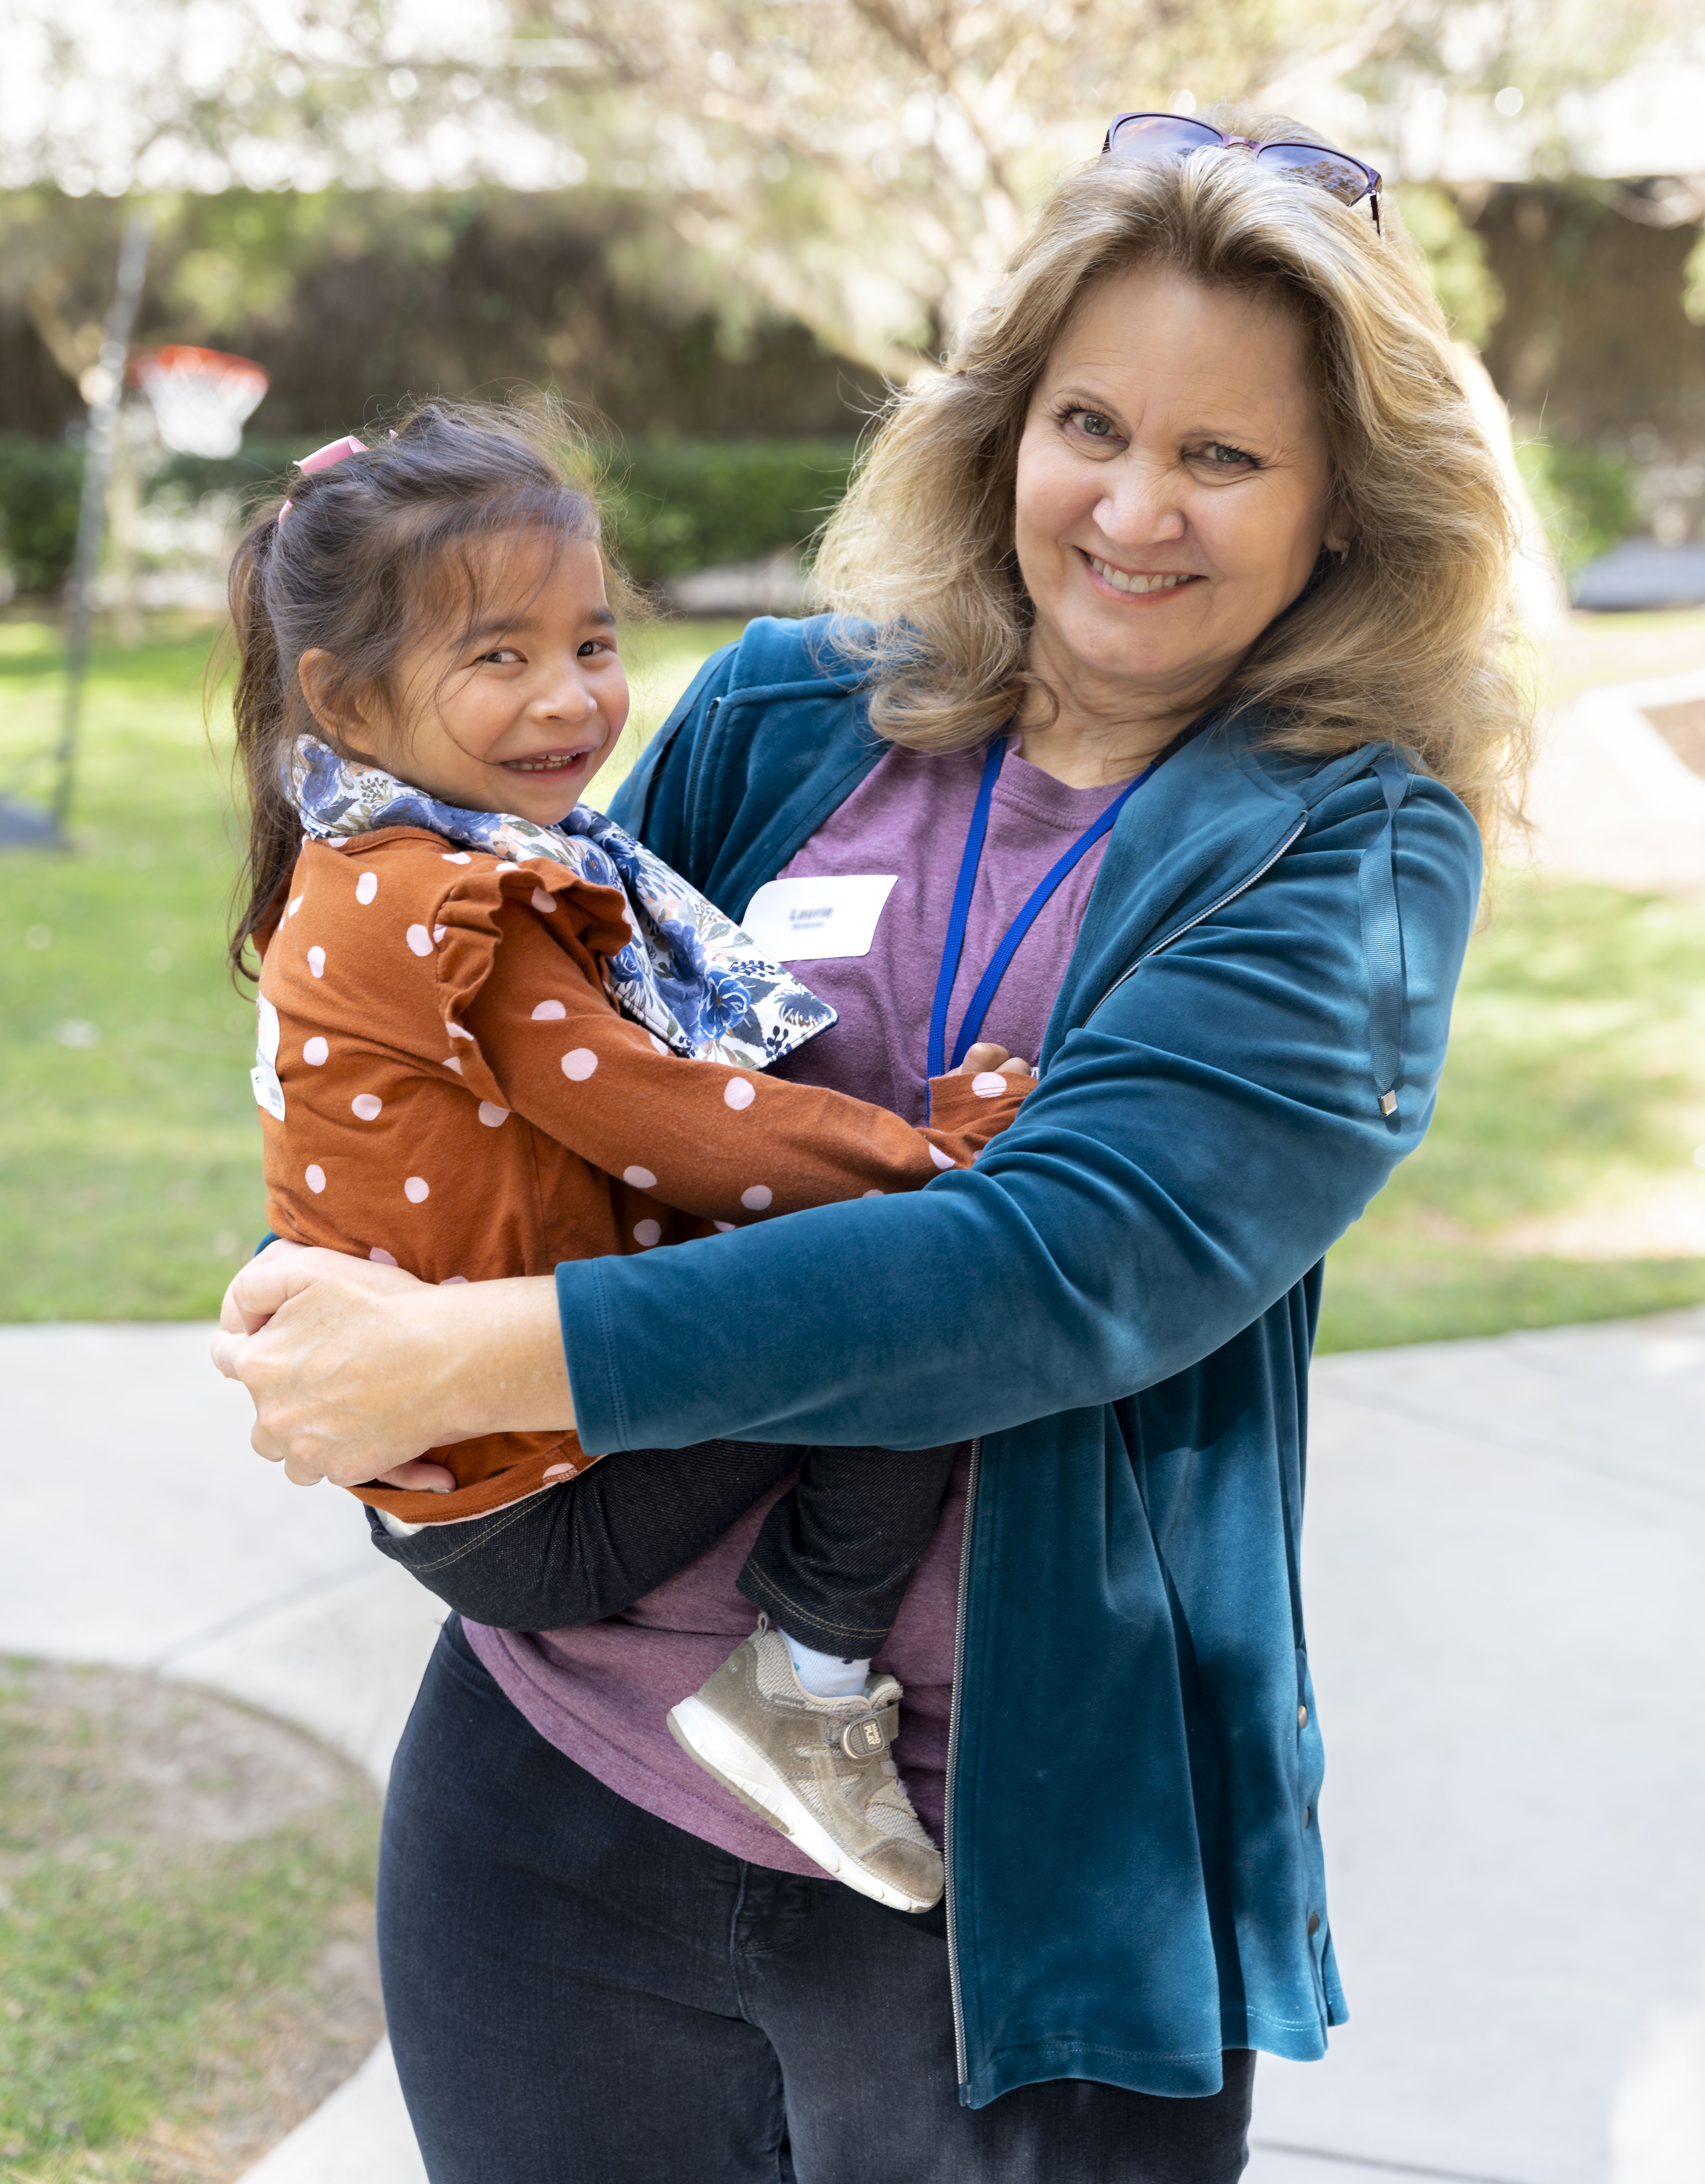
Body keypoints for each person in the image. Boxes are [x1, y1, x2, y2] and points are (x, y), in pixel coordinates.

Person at [216, 107, 1527, 2184]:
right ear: (1004, 428)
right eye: (1092, 422)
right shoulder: (784, 716)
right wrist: (353, 1278)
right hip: (551, 1805)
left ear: (1343, 514)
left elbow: (1051, 1273)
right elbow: (527, 1037)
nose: (1135, 506)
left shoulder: (1346, 848)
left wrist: (471, 1362)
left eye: (1224, 455)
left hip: (994, 1893)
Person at [227, 401, 1034, 1913]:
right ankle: (806, 1672)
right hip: (529, 1502)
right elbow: (666, 1118)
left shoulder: (378, 861)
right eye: (497, 656)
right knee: (913, 1315)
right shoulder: (448, 909)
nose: (567, 699)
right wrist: (927, 1163)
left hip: (455, 1451)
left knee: (854, 1280)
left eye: (590, 645)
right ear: (341, 696)